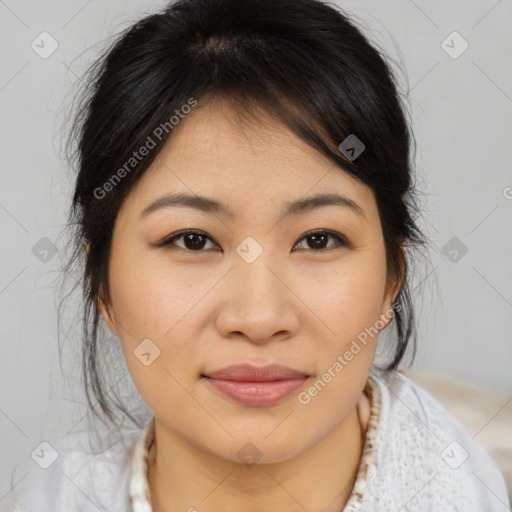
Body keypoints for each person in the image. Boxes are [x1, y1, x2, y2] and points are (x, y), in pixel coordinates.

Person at [5, 0, 509, 510]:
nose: (259, 317)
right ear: (103, 286)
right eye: (192, 240)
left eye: (318, 239)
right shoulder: (53, 494)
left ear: (392, 278)